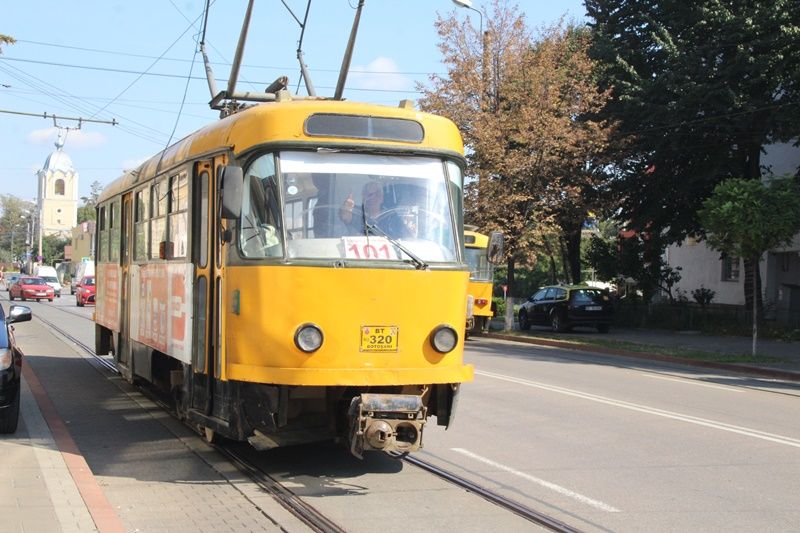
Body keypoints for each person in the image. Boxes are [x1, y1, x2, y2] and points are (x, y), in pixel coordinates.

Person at [339, 181, 411, 238]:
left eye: (378, 194)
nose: (371, 198)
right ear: (363, 197)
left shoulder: (392, 217)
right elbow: (345, 217)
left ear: (382, 197)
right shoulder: (356, 212)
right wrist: (346, 208)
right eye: (368, 195)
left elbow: (407, 238)